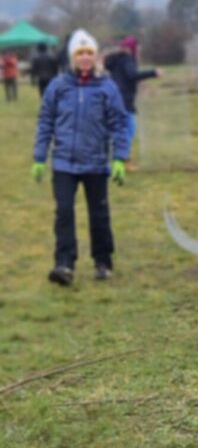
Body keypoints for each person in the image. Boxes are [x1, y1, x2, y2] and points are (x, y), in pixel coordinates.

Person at [32, 29, 129, 286]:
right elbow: (45, 122)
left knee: (98, 213)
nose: (85, 57)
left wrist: (120, 158)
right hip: (64, 162)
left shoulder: (107, 87)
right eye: (80, 53)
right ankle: (64, 264)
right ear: (72, 57)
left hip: (96, 162)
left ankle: (103, 261)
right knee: (63, 213)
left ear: (95, 57)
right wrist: (40, 157)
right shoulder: (58, 86)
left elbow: (119, 123)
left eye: (89, 53)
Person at [103, 35, 159, 167]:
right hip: (124, 99)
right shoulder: (128, 59)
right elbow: (131, 75)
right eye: (138, 47)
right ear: (133, 47)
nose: (139, 49)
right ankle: (123, 160)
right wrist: (153, 73)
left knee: (118, 130)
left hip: (114, 97)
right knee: (129, 130)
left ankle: (115, 157)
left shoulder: (116, 59)